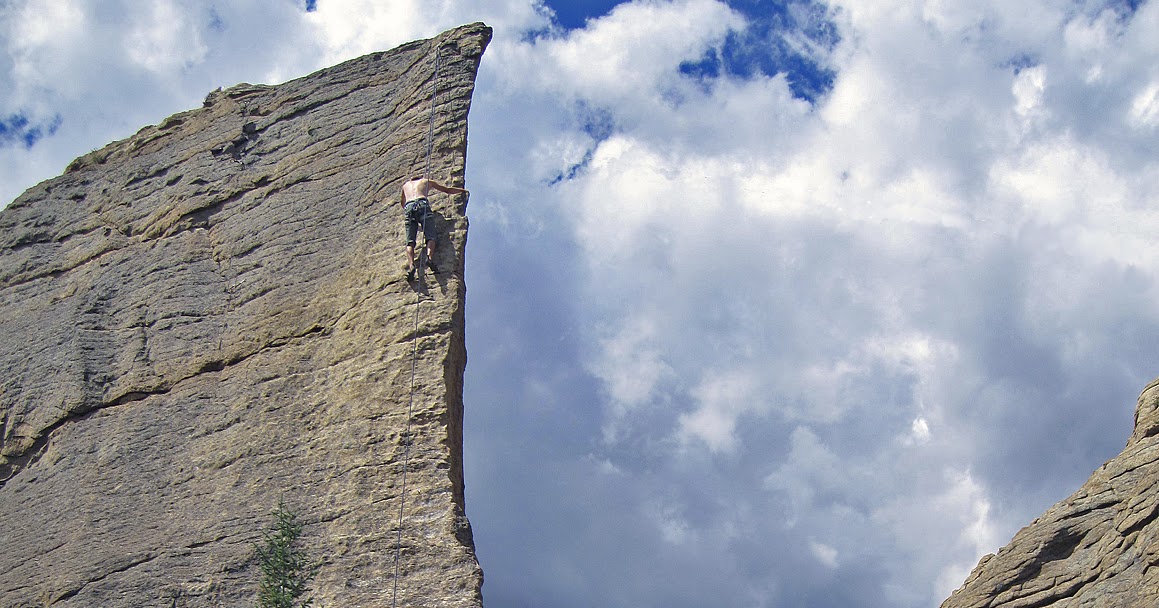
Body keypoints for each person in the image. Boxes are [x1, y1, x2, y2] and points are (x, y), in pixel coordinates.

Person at [400, 175, 467, 282]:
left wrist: (410, 211)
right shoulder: (426, 181)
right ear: (420, 178)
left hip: (409, 207)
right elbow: (447, 190)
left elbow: (402, 203)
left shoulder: (405, 185)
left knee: (410, 242)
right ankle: (429, 258)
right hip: (422, 204)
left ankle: (412, 265)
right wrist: (463, 191)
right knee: (431, 236)